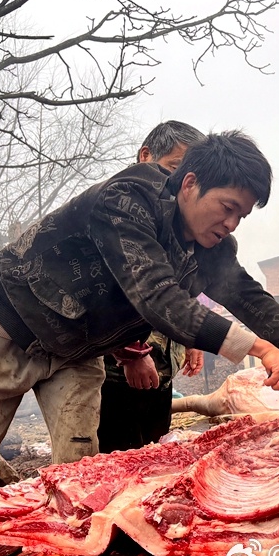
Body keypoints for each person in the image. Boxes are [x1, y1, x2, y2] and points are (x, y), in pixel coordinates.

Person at [0, 131, 279, 556]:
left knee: (81, 477)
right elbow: (156, 297)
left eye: (241, 216)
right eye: (227, 207)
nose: (231, 223)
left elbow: (253, 301)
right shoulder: (126, 201)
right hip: (3, 329)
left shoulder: (213, 248)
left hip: (75, 351)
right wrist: (262, 351)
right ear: (190, 183)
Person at [97, 121, 207, 453]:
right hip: (118, 364)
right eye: (174, 169)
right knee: (119, 454)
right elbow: (111, 288)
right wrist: (132, 352)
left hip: (161, 360)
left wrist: (192, 337)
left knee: (155, 448)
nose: (178, 186)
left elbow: (179, 287)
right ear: (146, 157)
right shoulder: (119, 208)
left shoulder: (174, 218)